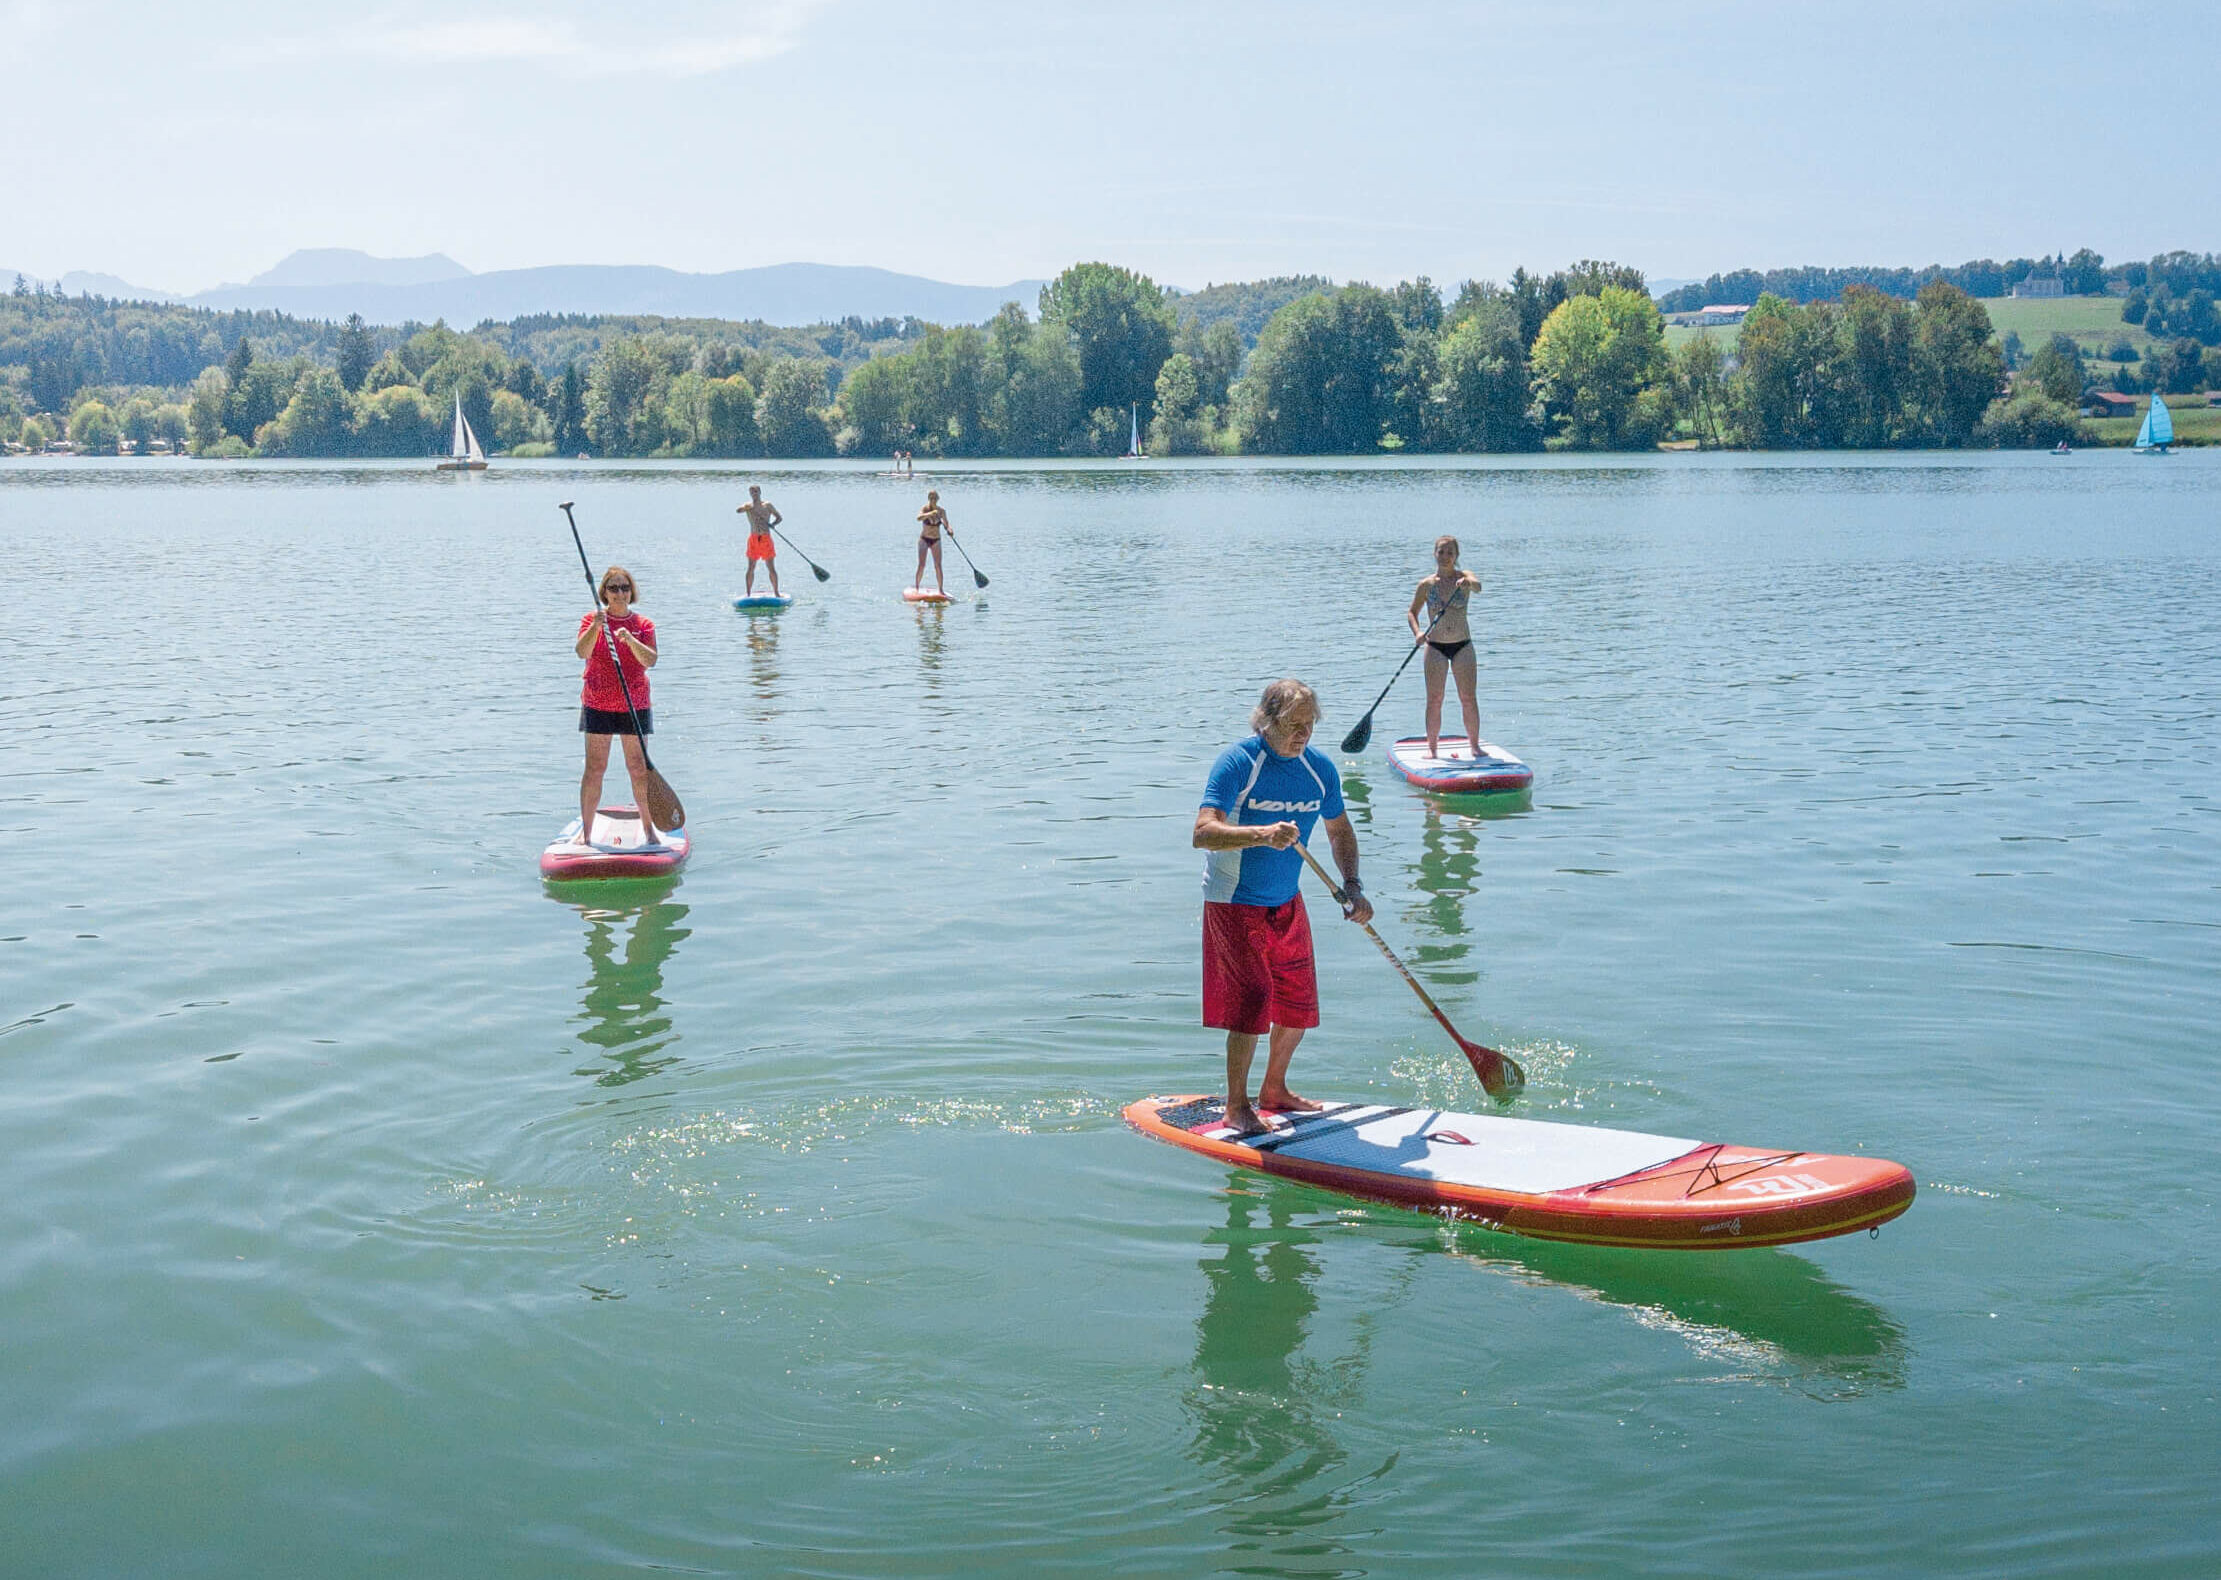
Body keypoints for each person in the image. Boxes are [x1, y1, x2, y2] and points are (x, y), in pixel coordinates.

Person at [1192, 679, 1373, 1134]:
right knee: (1252, 1000)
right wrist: (1261, 834)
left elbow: (1340, 832)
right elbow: (1202, 832)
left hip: (1286, 900)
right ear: (1266, 721)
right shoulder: (1238, 763)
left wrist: (1352, 885)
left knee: (1298, 1000)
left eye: (1310, 725)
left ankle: (1274, 1089)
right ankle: (1237, 1106)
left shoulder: (1320, 770)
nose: (1303, 735)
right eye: (1294, 725)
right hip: (1234, 900)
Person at [571, 565, 663, 850]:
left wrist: (630, 639)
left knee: (637, 768)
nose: (620, 593)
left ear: (631, 591)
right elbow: (581, 652)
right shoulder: (591, 619)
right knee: (595, 767)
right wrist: (598, 627)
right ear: (605, 593)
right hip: (598, 702)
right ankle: (585, 833)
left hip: (634, 704)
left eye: (625, 588)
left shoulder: (644, 624)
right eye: (614, 588)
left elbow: (650, 660)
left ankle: (649, 831)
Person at [1407, 534, 1483, 758]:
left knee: (1468, 698)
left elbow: (1478, 587)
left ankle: (1475, 746)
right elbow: (1412, 613)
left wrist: (1468, 583)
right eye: (1441, 551)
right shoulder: (1426, 585)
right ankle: (1432, 749)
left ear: (1456, 556)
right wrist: (1418, 632)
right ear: (1435, 554)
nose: (1445, 556)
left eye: (1450, 552)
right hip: (1436, 647)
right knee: (1435, 699)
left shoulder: (1465, 577)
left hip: (1463, 646)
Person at [736, 485, 782, 597]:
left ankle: (776, 592)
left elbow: (779, 518)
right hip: (753, 539)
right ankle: (748, 594)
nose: (754, 493)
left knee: (771, 567)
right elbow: (738, 511)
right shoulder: (748, 506)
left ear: (760, 492)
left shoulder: (767, 505)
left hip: (766, 538)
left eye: (756, 491)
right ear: (750, 494)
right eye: (752, 492)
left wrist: (773, 524)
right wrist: (745, 508)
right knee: (751, 567)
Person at [913, 489, 948, 594]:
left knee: (938, 565)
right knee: (921, 564)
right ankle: (917, 588)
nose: (933, 500)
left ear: (938, 499)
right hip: (924, 539)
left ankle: (941, 590)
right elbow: (918, 518)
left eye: (935, 498)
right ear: (928, 499)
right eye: (931, 498)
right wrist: (930, 513)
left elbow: (946, 523)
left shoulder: (942, 511)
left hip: (936, 540)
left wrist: (949, 529)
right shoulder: (925, 509)